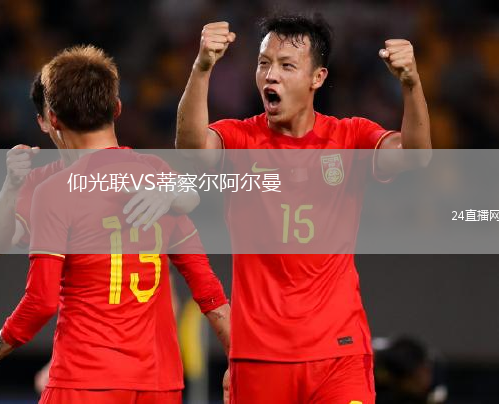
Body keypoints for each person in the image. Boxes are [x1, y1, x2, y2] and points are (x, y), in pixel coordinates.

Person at [176, 13, 431, 403]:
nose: (270, 75)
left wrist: (411, 83)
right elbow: (191, 148)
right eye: (264, 63)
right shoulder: (240, 138)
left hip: (338, 353)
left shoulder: (350, 137)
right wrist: (202, 67)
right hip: (260, 356)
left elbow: (416, 157)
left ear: (317, 78)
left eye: (286, 65)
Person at [0, 45, 231, 404]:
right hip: (159, 383)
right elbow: (206, 286)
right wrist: (237, 359)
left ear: (50, 119)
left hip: (85, 379)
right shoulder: (158, 178)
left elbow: (40, 301)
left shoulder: (54, 191)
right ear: (116, 108)